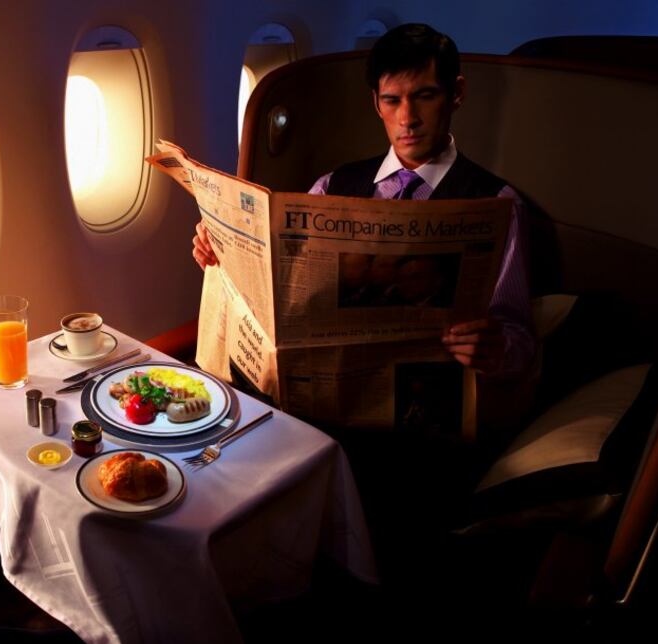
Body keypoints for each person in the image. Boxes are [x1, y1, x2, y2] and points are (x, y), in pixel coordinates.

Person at [193, 23, 534, 380]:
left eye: (425, 96)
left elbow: (520, 339)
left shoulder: (499, 206)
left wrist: (498, 348)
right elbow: (279, 292)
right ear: (376, 102)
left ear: (456, 94)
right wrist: (222, 258)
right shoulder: (330, 188)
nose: (408, 118)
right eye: (392, 100)